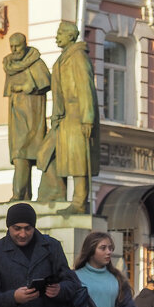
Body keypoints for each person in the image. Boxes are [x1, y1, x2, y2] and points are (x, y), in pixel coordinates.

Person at [37, 21, 98, 214]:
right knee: (52, 154)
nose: (57, 36)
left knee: (79, 160)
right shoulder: (65, 58)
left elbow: (85, 88)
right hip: (64, 117)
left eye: (61, 33)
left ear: (71, 36)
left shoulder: (78, 57)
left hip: (77, 114)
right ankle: (55, 194)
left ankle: (79, 203)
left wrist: (88, 118)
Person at [2, 33, 51, 201]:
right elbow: (9, 89)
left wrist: (30, 86)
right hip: (16, 115)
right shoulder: (9, 64)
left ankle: (18, 195)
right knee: (19, 155)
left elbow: (46, 82)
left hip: (32, 117)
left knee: (21, 155)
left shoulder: (35, 63)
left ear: (25, 45)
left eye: (17, 46)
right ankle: (25, 195)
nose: (14, 50)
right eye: (12, 46)